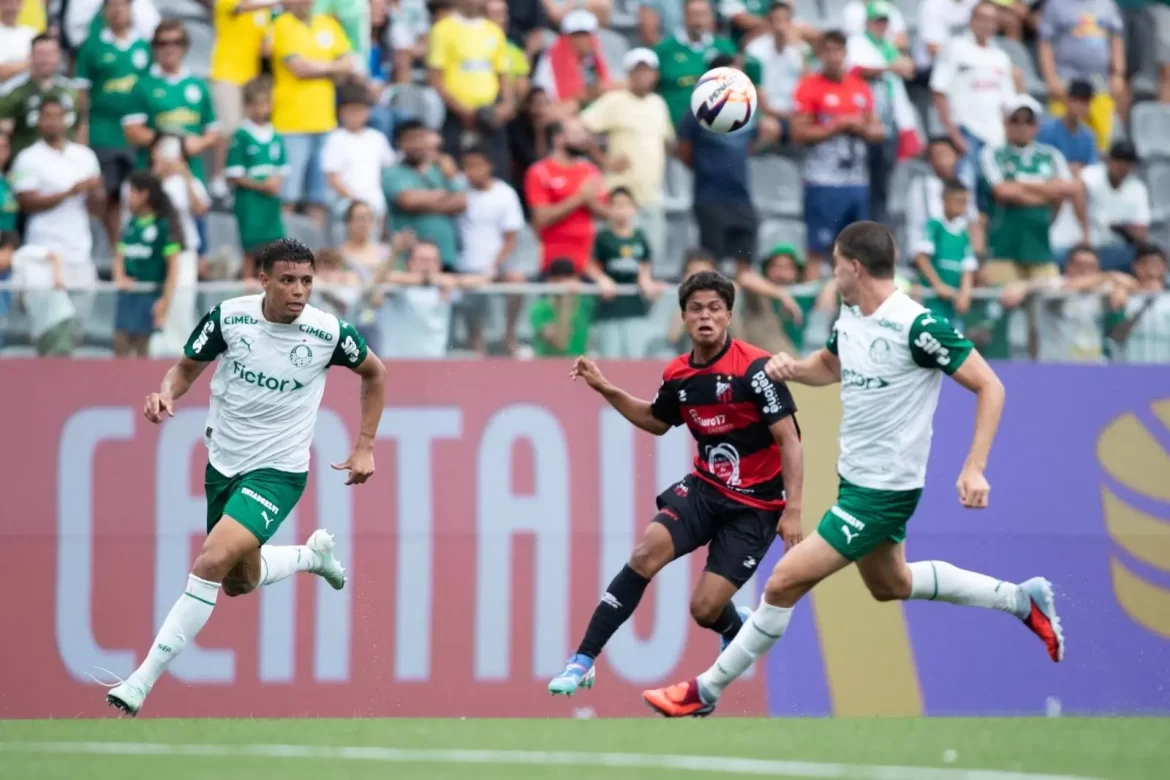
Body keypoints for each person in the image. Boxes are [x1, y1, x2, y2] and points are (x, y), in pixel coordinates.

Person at [642, 222, 1063, 719]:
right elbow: (832, 363)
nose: (832, 273)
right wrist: (794, 368)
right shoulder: (852, 313)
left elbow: (991, 386)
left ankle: (704, 691)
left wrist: (974, 467)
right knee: (892, 584)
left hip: (884, 493)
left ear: (855, 267)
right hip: (855, 482)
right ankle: (1021, 599)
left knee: (781, 584)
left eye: (836, 264)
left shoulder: (918, 326)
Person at [101, 238, 387, 717]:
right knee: (237, 582)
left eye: (307, 282)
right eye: (288, 280)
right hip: (223, 464)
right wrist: (164, 392)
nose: (299, 291)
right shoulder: (229, 318)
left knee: (211, 561)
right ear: (264, 280)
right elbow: (184, 368)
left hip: (279, 471)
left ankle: (138, 682)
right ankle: (309, 556)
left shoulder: (328, 333)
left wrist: (365, 445)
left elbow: (375, 374)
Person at [548, 269, 804, 696]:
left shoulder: (756, 369)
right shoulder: (679, 375)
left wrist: (793, 509)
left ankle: (732, 623)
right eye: (696, 309)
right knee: (645, 553)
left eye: (715, 309)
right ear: (684, 316)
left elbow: (790, 441)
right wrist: (605, 387)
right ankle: (583, 660)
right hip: (705, 489)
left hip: (756, 506)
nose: (706, 317)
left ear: (728, 316)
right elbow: (656, 420)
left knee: (704, 610)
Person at [792, 30, 885, 280]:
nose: (833, 57)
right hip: (823, 180)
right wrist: (835, 126)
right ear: (820, 54)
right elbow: (798, 132)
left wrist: (861, 127)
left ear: (845, 53)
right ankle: (814, 308)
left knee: (859, 250)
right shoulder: (809, 87)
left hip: (857, 181)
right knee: (817, 249)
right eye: (828, 51)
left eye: (838, 51)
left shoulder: (860, 88)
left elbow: (878, 131)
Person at [74, 0, 153, 249]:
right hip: (103, 131)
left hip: (136, 135)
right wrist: (82, 136)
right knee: (107, 195)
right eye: (113, 5)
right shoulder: (92, 46)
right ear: (105, 11)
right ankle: (114, 248)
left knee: (137, 194)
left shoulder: (143, 46)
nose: (118, 11)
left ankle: (133, 248)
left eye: (123, 5)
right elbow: (82, 96)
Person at [123, 20, 220, 185]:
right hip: (153, 173)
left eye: (176, 42)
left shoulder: (198, 85)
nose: (170, 48)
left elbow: (213, 132)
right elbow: (131, 130)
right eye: (163, 43)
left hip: (191, 174)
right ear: (154, 48)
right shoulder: (143, 85)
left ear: (185, 46)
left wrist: (197, 144)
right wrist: (169, 140)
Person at [112, 171, 182, 357]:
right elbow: (119, 254)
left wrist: (165, 302)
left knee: (143, 350)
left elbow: (173, 269)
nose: (128, 197)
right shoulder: (130, 224)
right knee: (119, 344)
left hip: (149, 297)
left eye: (132, 192)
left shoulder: (163, 226)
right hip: (127, 297)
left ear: (144, 195)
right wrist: (119, 277)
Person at [225, 77, 287, 279]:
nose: (261, 109)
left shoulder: (275, 134)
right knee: (251, 249)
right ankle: (247, 282)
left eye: (265, 103)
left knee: (274, 247)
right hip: (250, 203)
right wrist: (261, 186)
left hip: (270, 203)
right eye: (256, 104)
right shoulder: (242, 135)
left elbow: (282, 168)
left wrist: (275, 183)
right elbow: (234, 174)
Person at [589, 186, 660, 358]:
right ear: (608, 209)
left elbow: (644, 263)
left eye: (626, 205)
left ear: (634, 209)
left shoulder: (640, 236)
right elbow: (589, 264)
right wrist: (602, 279)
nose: (622, 210)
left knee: (635, 356)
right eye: (617, 205)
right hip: (609, 308)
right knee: (610, 357)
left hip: (634, 307)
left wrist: (645, 280)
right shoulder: (603, 237)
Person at [0, 34, 82, 158]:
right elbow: (3, 134)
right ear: (30, 56)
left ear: (58, 56)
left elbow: (80, 126)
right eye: (41, 54)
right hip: (26, 164)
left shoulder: (71, 91)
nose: (46, 60)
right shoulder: (13, 92)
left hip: (67, 163)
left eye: (50, 54)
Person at [913, 178, 977, 327]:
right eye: (959, 201)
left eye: (965, 202)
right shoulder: (935, 226)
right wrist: (938, 285)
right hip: (932, 305)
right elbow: (921, 257)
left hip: (953, 307)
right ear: (945, 200)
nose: (963, 207)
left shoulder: (963, 233)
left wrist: (965, 293)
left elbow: (968, 267)